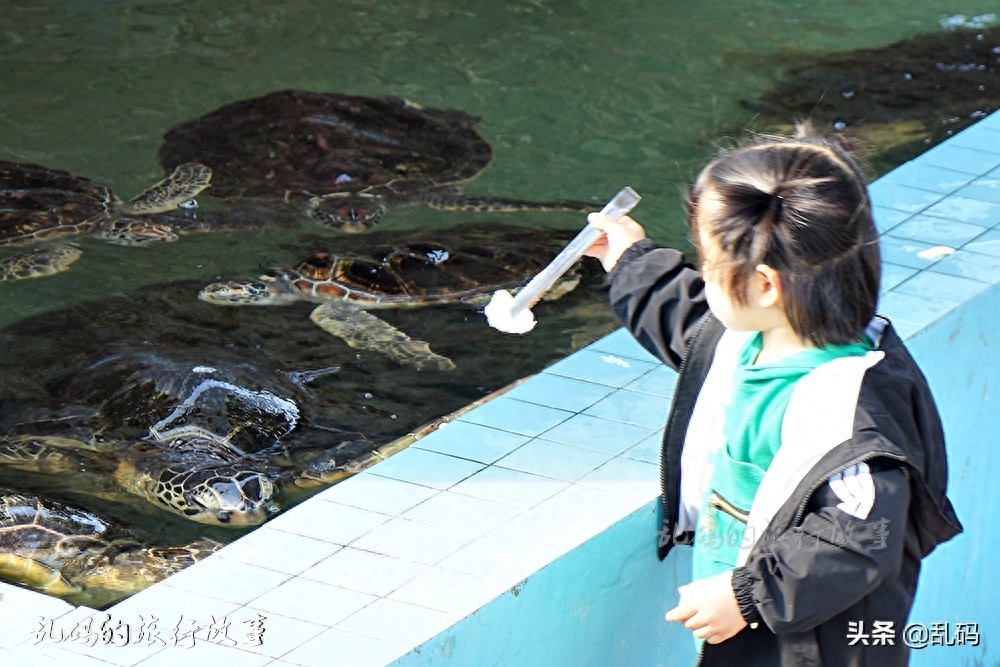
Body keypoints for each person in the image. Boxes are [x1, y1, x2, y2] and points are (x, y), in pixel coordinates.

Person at [584, 127, 962, 666]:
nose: (701, 275)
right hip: (752, 621)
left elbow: (855, 538)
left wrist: (745, 596)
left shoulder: (854, 413)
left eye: (707, 261)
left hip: (813, 647)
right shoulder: (749, 339)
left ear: (764, 285)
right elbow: (685, 316)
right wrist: (629, 260)